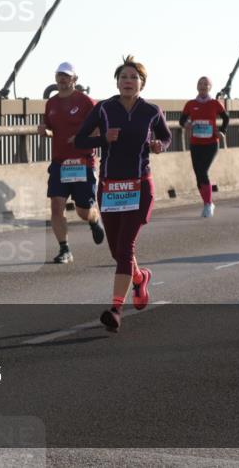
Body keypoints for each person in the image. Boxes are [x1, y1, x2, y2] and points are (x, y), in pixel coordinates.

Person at [75, 56, 171, 333]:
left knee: (126, 247)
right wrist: (103, 139)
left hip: (139, 186)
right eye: (123, 77)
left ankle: (115, 309)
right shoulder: (104, 109)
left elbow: (166, 137)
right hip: (109, 186)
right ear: (116, 82)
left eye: (133, 77)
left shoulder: (152, 111)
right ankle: (140, 278)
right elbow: (81, 140)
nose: (127, 82)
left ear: (142, 83)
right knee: (118, 251)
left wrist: (158, 146)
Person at [37, 62, 105, 264]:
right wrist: (44, 132)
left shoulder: (86, 102)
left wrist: (80, 138)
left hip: (82, 163)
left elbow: (100, 128)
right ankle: (64, 249)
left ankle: (93, 219)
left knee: (82, 211)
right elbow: (50, 129)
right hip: (60, 163)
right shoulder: (52, 103)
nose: (62, 79)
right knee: (56, 206)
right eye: (59, 75)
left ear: (74, 79)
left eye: (66, 76)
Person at [179, 76, 229, 218]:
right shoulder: (190, 104)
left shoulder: (215, 103)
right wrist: (186, 124)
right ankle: (207, 202)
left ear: (210, 87)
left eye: (205, 84)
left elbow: (226, 118)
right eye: (200, 84)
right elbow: (181, 119)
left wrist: (222, 131)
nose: (202, 86)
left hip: (211, 144)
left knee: (203, 171)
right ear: (197, 87)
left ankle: (208, 205)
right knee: (198, 176)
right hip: (195, 144)